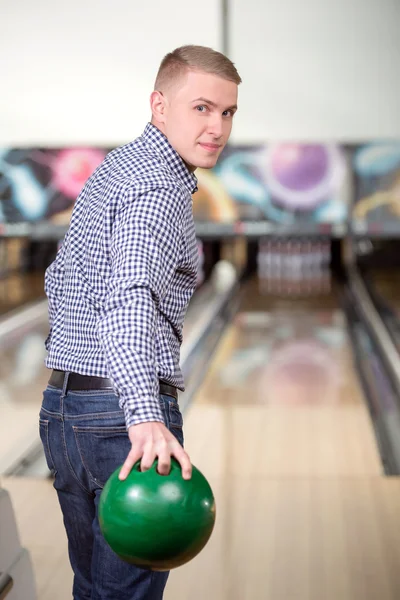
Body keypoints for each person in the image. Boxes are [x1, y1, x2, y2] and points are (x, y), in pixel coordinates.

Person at [39, 44, 241, 599]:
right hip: (119, 422)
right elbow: (131, 297)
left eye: (227, 112)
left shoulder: (120, 165)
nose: (217, 127)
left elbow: (60, 276)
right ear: (159, 104)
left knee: (95, 590)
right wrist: (144, 415)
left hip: (63, 412)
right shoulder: (158, 186)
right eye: (201, 108)